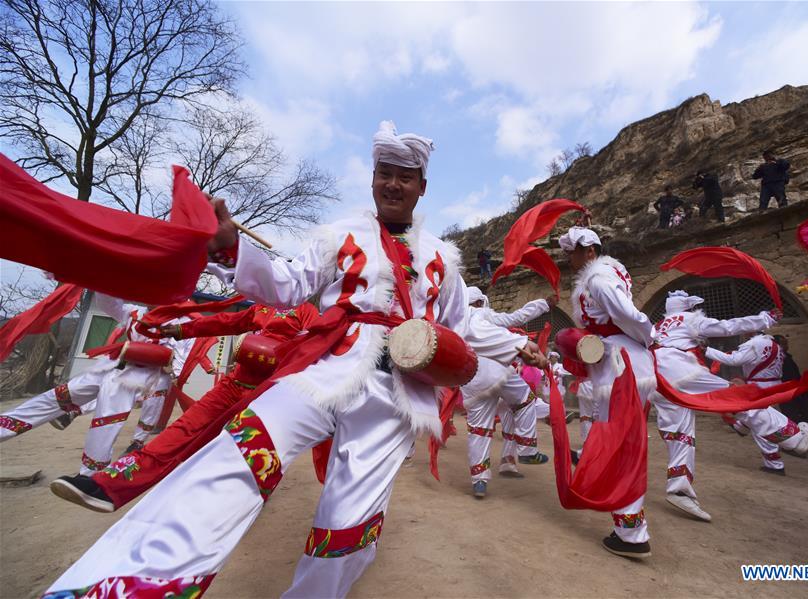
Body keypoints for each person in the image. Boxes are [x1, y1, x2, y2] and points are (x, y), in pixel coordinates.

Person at [43, 121, 547, 599]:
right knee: (237, 455)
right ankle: (120, 584)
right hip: (324, 373)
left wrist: (513, 346)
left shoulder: (443, 257)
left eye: (405, 176)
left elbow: (459, 326)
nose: (393, 184)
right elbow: (287, 284)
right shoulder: (340, 237)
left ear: (422, 187)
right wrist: (232, 249)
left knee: (347, 525)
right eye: (384, 174)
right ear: (373, 179)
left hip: (396, 399)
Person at [50, 302, 319, 513]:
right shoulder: (262, 307)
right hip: (233, 384)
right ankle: (108, 487)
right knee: (181, 431)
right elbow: (225, 321)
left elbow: (316, 347)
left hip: (268, 395)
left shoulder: (308, 312)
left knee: (247, 452)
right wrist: (181, 330)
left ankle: (242, 502)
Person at [0, 293, 193, 476]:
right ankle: (6, 426)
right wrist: (103, 279)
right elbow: (107, 303)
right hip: (119, 363)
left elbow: (181, 354)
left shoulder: (180, 324)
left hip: (151, 374)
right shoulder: (134, 312)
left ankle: (101, 466)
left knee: (118, 414)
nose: (155, 298)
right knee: (66, 393)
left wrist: (174, 369)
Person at [560, 226, 656, 559]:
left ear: (590, 252)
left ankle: (631, 532)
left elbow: (630, 317)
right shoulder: (603, 276)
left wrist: (647, 338)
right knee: (623, 443)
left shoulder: (598, 280)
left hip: (621, 366)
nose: (567, 259)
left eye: (572, 252)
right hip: (621, 363)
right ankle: (627, 525)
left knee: (622, 446)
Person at [652, 290, 781, 513]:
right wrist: (765, 318)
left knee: (680, 433)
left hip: (657, 377)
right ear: (688, 308)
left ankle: (679, 489)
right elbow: (727, 327)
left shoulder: (658, 326)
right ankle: (789, 433)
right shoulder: (690, 319)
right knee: (730, 396)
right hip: (681, 369)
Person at [462, 287, 550, 497]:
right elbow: (515, 318)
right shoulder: (481, 314)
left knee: (478, 430)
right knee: (525, 400)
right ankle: (527, 448)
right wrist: (543, 305)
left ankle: (479, 481)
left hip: (471, 380)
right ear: (479, 303)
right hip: (498, 374)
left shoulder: (455, 322)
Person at [707, 333, 808, 474]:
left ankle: (779, 458)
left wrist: (707, 351)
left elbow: (734, 360)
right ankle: (743, 427)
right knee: (766, 420)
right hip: (773, 386)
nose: (743, 334)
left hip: (759, 388)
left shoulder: (755, 344)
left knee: (761, 424)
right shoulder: (775, 345)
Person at [774, 334, 808, 425]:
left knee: (803, 409)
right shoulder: (776, 359)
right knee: (791, 412)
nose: (786, 346)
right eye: (784, 344)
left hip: (795, 388)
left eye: (786, 344)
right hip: (785, 390)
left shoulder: (786, 357)